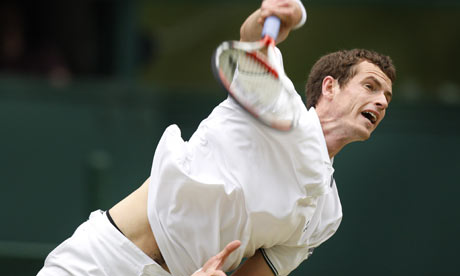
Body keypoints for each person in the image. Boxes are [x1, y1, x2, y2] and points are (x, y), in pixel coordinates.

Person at [37, 0, 396, 275]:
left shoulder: (327, 215)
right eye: (370, 86)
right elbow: (252, 40)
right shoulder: (275, 102)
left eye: (387, 97)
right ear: (329, 88)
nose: (380, 101)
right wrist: (265, 16)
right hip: (104, 260)